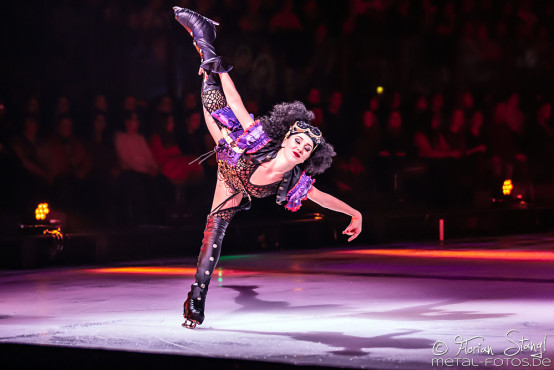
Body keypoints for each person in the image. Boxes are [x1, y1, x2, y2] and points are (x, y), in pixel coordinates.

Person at [173, 7, 363, 329]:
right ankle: (205, 38)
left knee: (213, 237)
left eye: (306, 149)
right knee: (208, 85)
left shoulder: (293, 179)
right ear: (288, 137)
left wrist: (354, 213)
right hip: (227, 140)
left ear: (307, 157)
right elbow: (236, 105)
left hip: (234, 186)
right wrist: (221, 71)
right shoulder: (262, 141)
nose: (300, 149)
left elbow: (321, 198)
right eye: (298, 141)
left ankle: (196, 298)